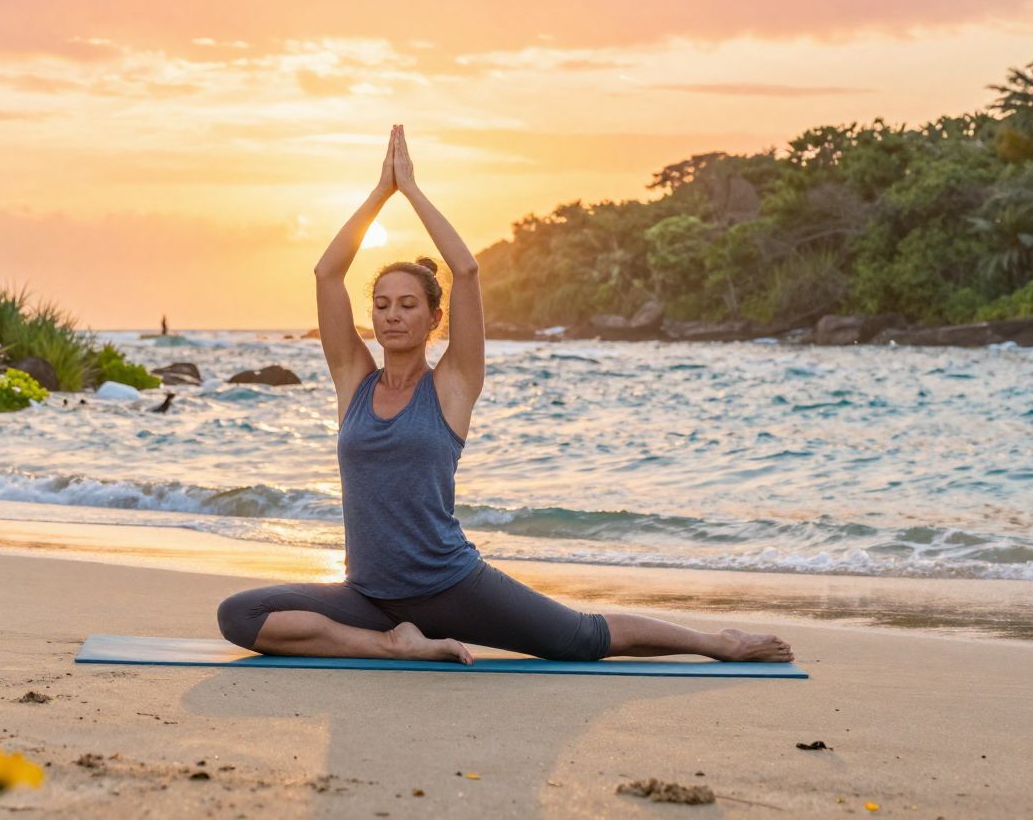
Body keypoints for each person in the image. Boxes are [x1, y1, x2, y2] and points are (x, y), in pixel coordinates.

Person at [216, 125, 794, 665]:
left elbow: (465, 271)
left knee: (583, 639)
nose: (392, 316)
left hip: (451, 586)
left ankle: (719, 643)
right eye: (382, 305)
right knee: (240, 615)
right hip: (368, 596)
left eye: (408, 305)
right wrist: (377, 192)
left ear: (434, 319)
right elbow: (325, 274)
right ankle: (395, 646)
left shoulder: (453, 384)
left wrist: (410, 190)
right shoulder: (354, 381)